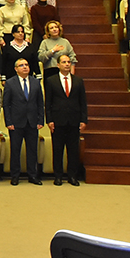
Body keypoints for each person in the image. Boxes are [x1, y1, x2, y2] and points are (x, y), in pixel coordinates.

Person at [42, 54, 86, 186]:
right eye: (64, 62)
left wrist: (83, 120)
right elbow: (48, 102)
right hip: (57, 120)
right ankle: (58, 176)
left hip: (74, 120)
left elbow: (83, 102)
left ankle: (72, 176)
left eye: (68, 62)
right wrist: (49, 120)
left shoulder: (78, 81)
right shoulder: (51, 81)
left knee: (73, 150)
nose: (67, 64)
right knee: (58, 149)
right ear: (58, 65)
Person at [2, 58, 44, 185]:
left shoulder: (36, 82)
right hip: (16, 122)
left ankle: (33, 175)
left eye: (26, 65)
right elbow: (6, 104)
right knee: (15, 150)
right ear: (16, 69)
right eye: (21, 65)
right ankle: (15, 176)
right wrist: (8, 122)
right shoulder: (10, 83)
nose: (25, 67)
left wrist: (40, 120)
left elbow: (40, 103)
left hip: (32, 122)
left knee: (32, 150)